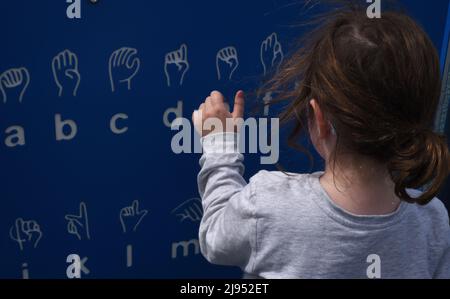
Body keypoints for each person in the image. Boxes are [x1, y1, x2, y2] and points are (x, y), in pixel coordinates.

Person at [192, 7, 450, 278]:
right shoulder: (432, 221)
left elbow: (215, 237)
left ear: (320, 119)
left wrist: (219, 144)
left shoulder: (268, 206)